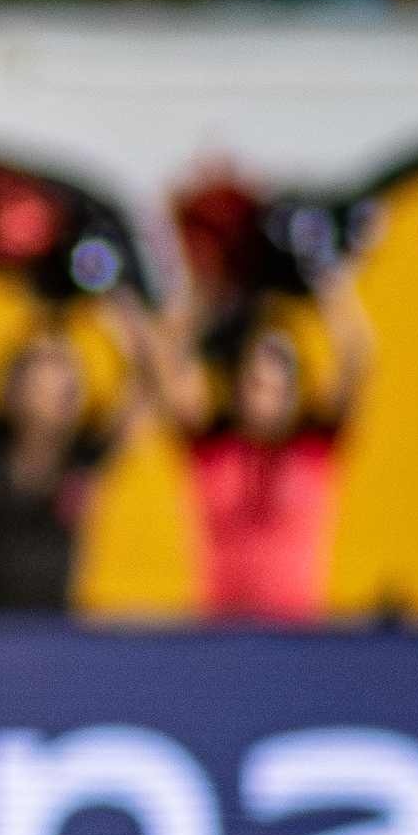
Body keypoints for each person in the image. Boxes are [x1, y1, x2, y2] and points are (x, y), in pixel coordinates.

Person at [0, 194, 154, 614]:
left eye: (64, 369)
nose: (53, 381)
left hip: (61, 641)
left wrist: (114, 294)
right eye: (39, 367)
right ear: (10, 386)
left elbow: (148, 385)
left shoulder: (84, 456)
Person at [152, 195, 375, 622]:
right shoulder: (210, 447)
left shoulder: (316, 449)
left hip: (299, 644)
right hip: (218, 641)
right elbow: (169, 361)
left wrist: (324, 274)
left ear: (296, 389)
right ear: (236, 388)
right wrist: (206, 289)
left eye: (278, 383)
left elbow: (357, 357)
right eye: (254, 382)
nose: (264, 394)